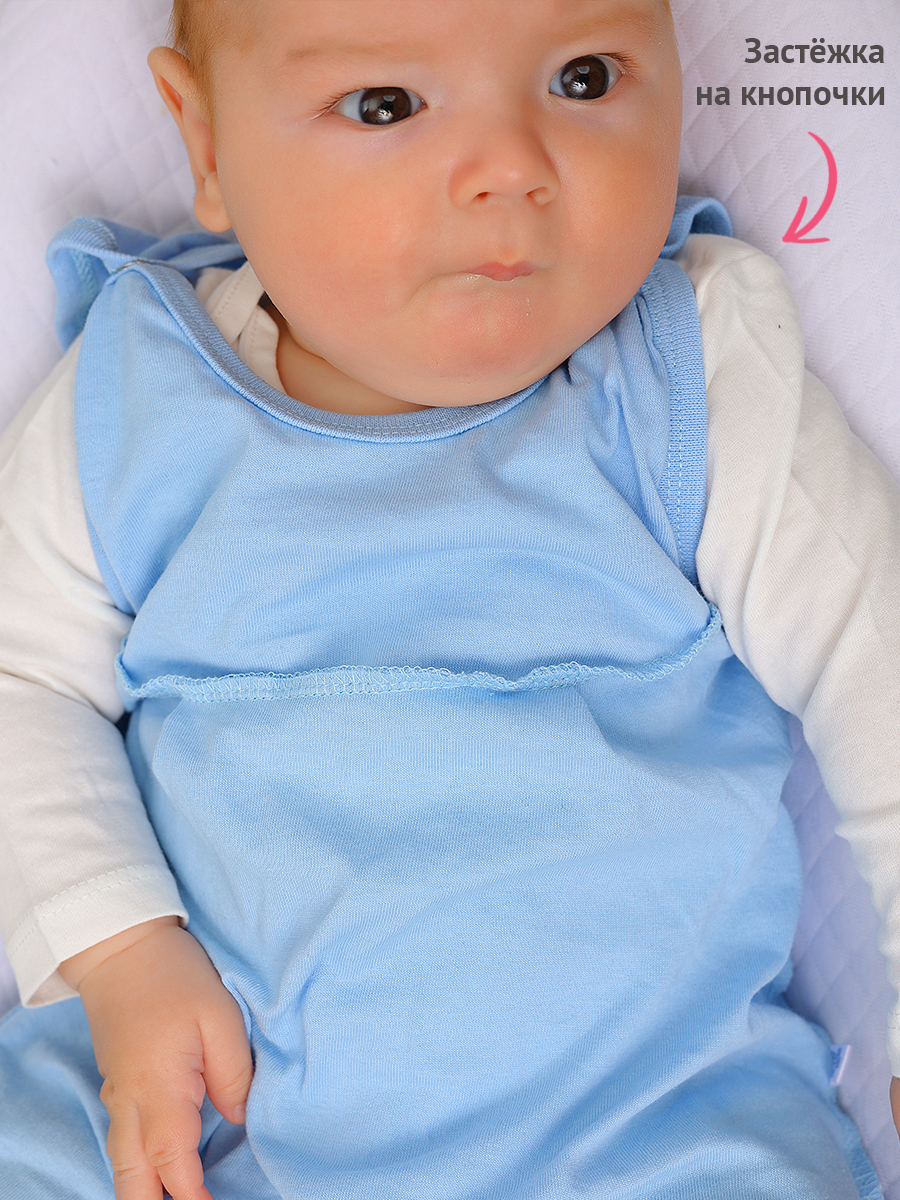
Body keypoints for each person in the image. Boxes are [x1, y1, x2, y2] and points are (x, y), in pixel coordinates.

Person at [0, 0, 897, 1197]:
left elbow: (874, 660)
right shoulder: (132, 397)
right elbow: (23, 680)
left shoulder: (686, 380)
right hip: (209, 1106)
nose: (511, 168)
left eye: (584, 77)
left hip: (644, 1121)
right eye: (386, 105)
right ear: (205, 145)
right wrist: (119, 948)